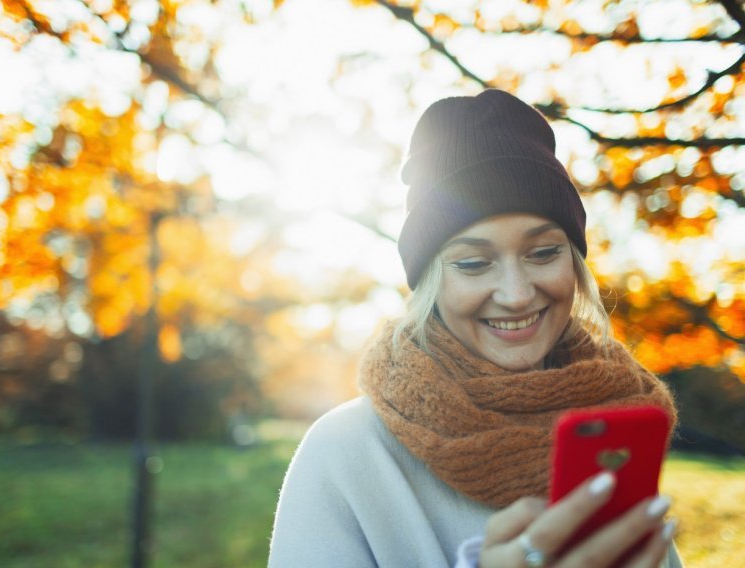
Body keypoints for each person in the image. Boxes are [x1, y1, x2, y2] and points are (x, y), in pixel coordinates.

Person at [268, 89, 681, 568]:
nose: (517, 293)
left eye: (543, 253)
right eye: (472, 262)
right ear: (431, 282)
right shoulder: (346, 454)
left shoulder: (612, 438)